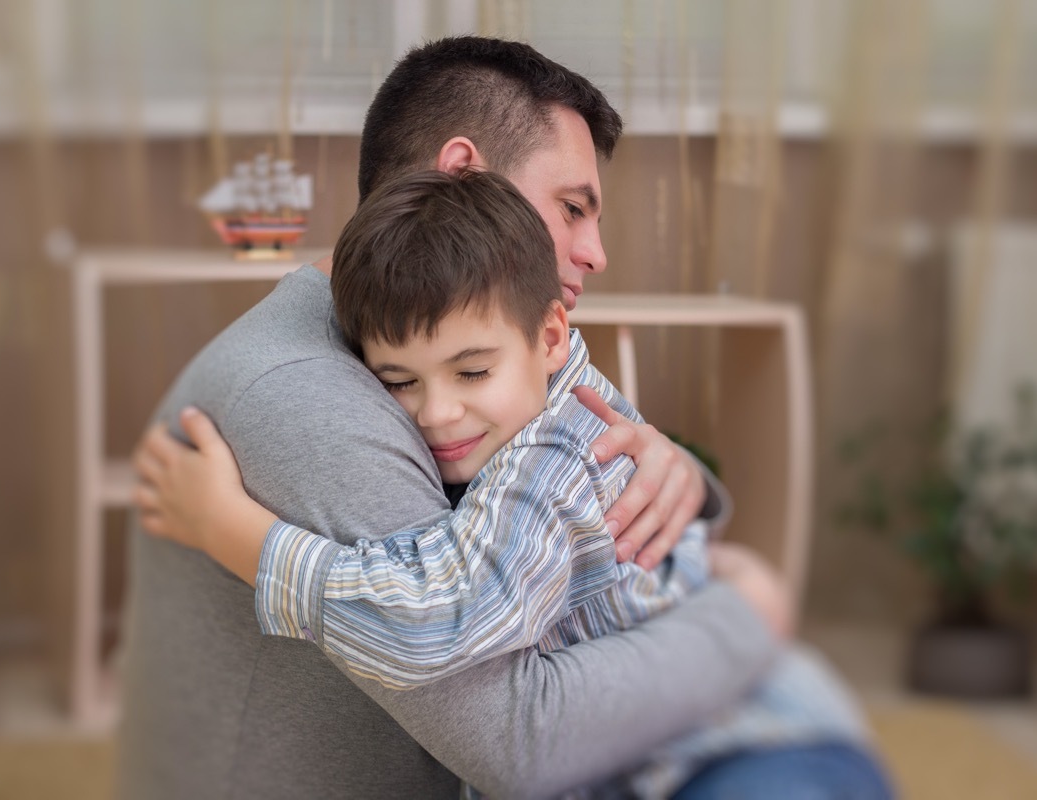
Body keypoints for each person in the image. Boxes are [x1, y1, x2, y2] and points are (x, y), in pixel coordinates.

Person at [117, 36, 788, 799]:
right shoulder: (312, 397)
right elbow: (515, 737)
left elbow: (574, 452)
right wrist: (746, 616)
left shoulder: (455, 356)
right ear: (463, 174)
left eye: (471, 371)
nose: (595, 251)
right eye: (572, 207)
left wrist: (670, 472)